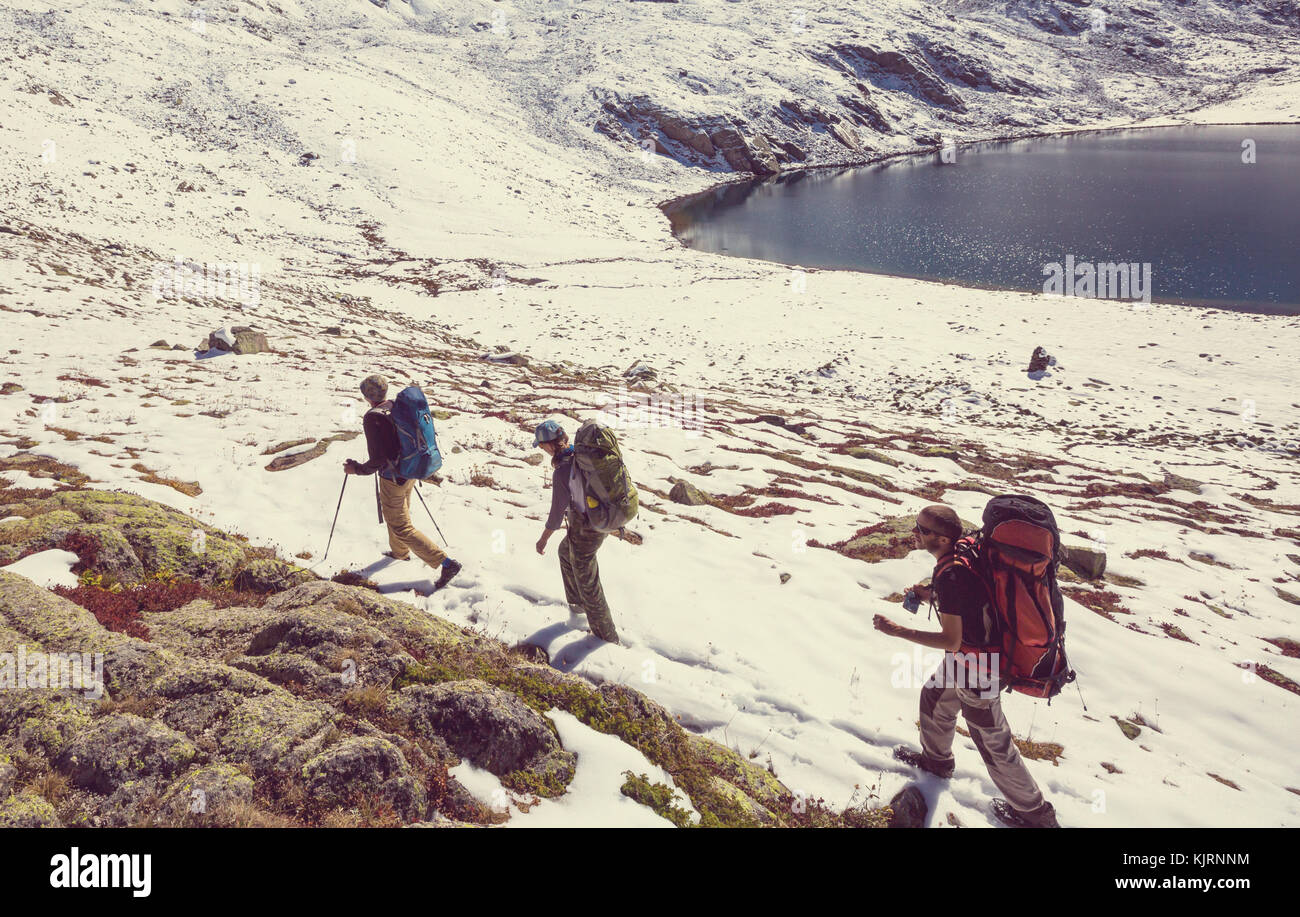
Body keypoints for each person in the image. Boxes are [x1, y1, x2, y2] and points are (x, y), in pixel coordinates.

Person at [873, 504, 1060, 828]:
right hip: (969, 660)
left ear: (943, 539)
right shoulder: (964, 551)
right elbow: (969, 599)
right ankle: (936, 762)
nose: (914, 532)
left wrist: (896, 630)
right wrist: (929, 594)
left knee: (992, 741)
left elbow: (951, 640)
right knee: (934, 698)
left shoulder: (952, 573)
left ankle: (1035, 816)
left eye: (922, 529)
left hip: (981, 668)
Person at [343, 374, 460, 594]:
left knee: (401, 525)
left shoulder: (373, 417)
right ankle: (399, 553)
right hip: (409, 472)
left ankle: (446, 563)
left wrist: (356, 469)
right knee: (397, 516)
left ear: (367, 396)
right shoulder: (396, 407)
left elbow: (378, 459)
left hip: (393, 478)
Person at [533, 420, 620, 645]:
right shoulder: (580, 458)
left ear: (550, 445)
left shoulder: (563, 471)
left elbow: (556, 511)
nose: (543, 451)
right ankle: (577, 611)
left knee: (587, 580)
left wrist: (543, 540)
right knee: (565, 551)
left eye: (542, 447)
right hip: (600, 518)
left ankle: (607, 638)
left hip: (590, 525)